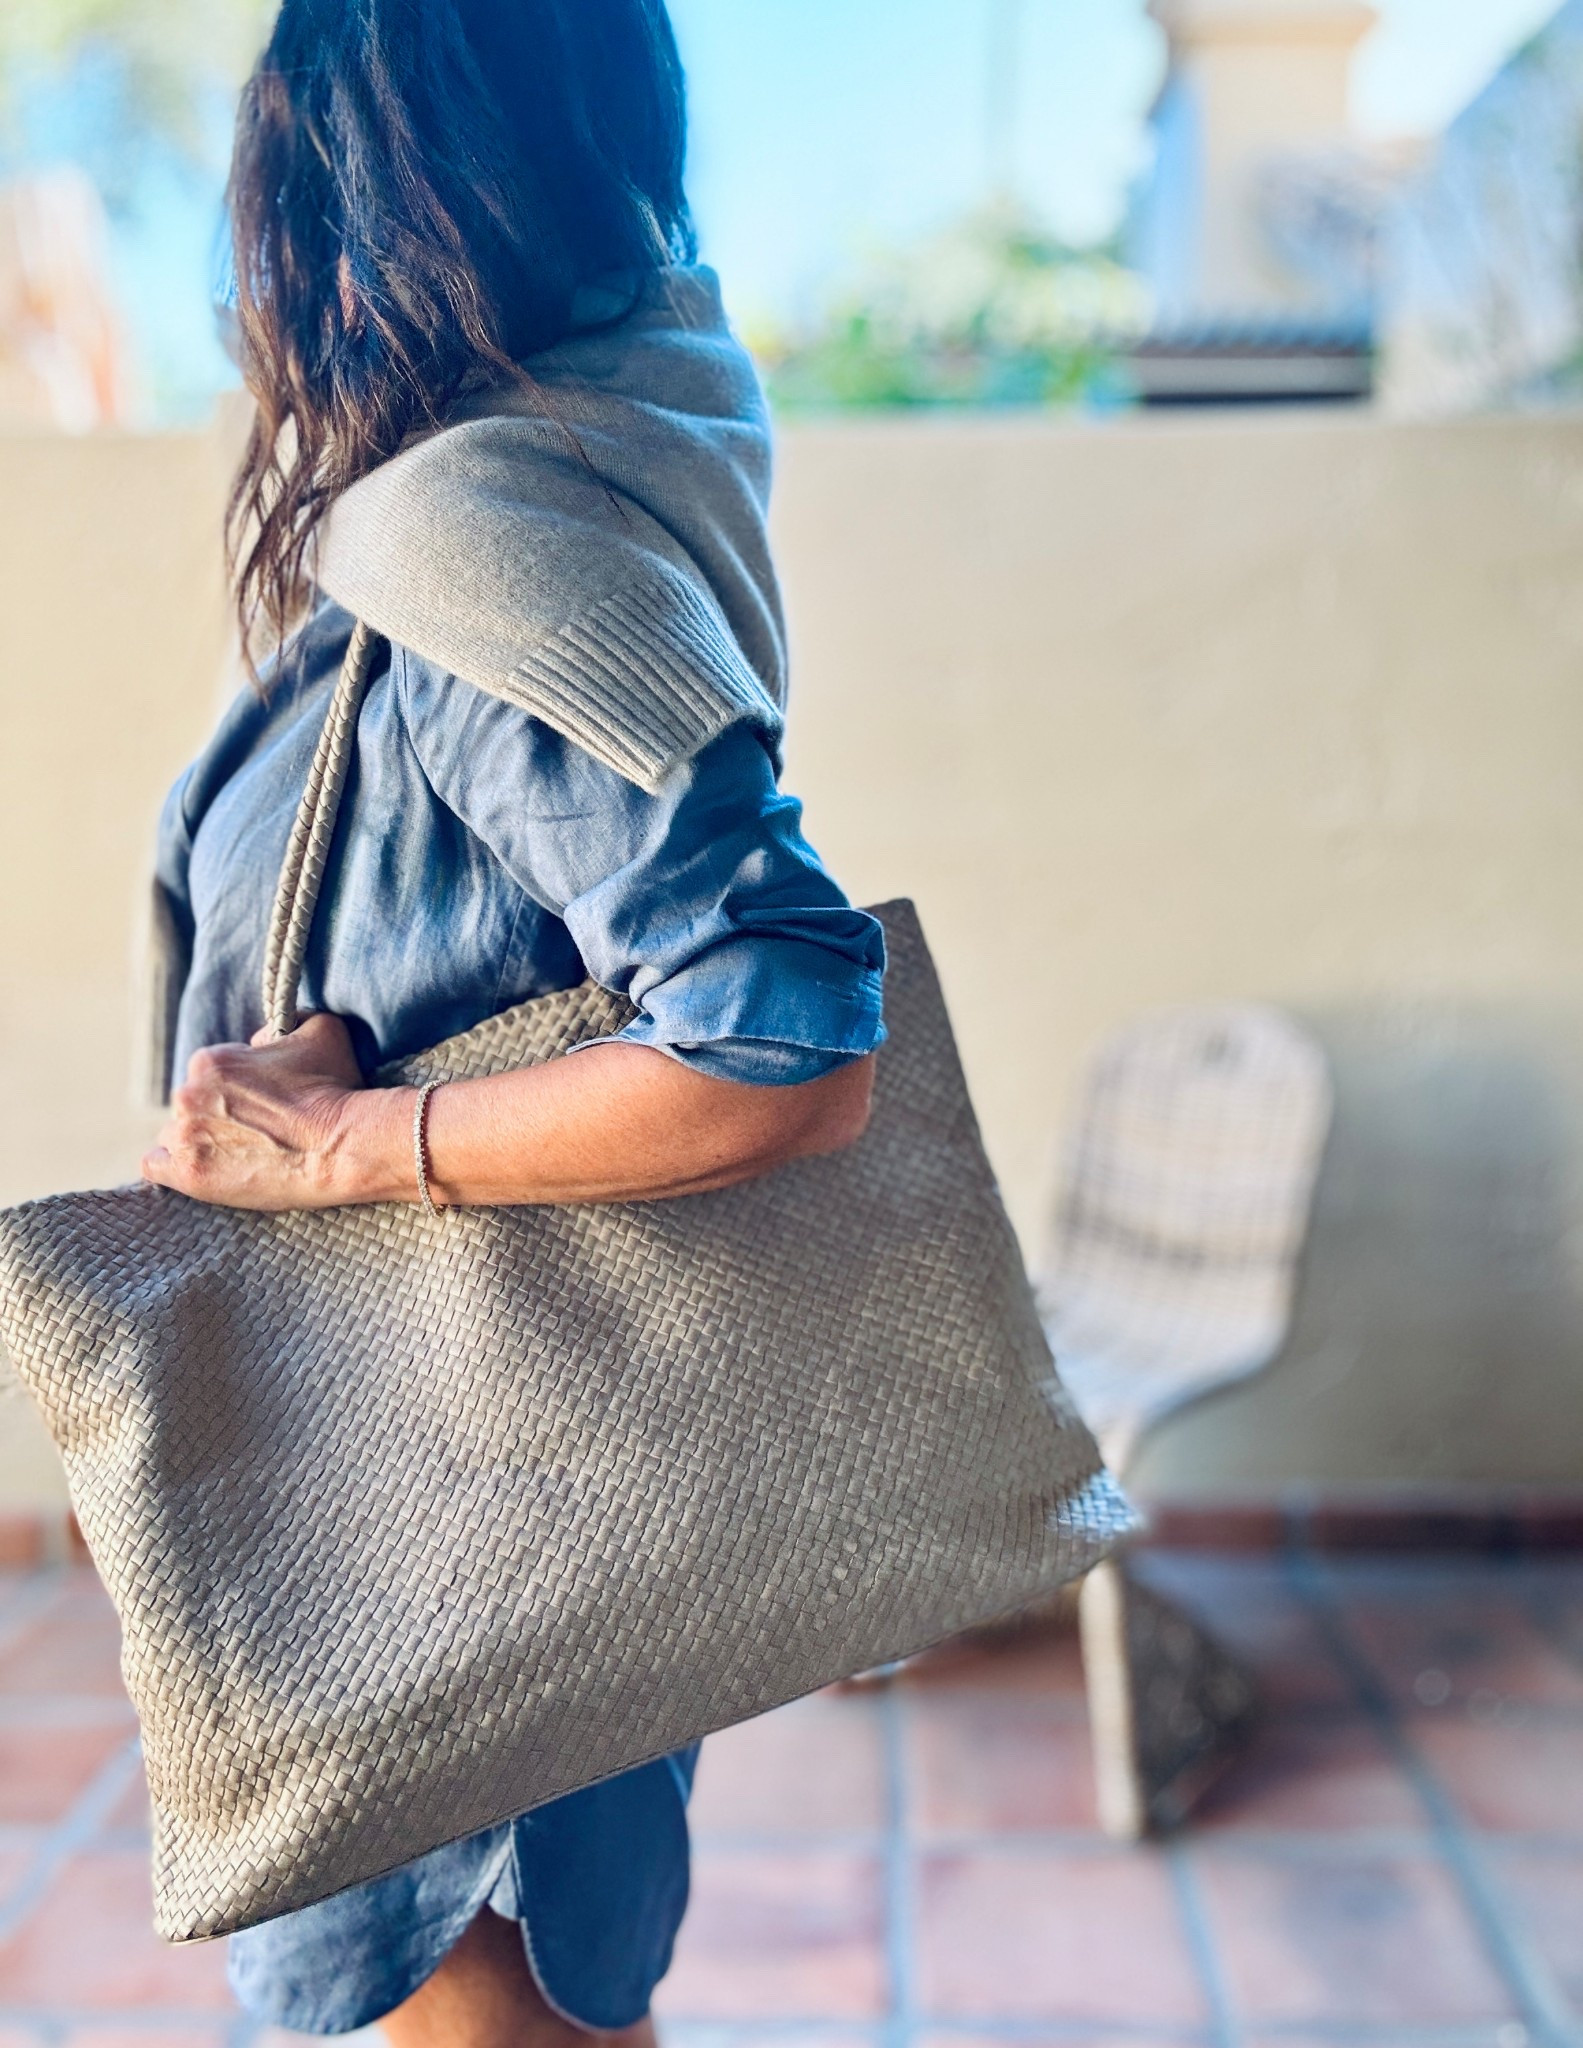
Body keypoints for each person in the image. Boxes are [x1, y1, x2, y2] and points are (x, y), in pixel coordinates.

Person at [140, 1, 886, 2040]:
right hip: (460, 1479)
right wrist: (334, 1059)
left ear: (357, 183)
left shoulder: (494, 534)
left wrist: (362, 1146)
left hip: (465, 1510)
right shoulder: (572, 476)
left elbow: (780, 1028)